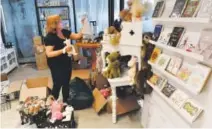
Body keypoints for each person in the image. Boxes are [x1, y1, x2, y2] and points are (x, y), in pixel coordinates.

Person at [44, 15, 82, 103]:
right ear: (53, 24)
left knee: (66, 82)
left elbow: (77, 36)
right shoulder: (50, 37)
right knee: (57, 83)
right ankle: (52, 104)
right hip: (56, 63)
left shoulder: (64, 32)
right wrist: (63, 50)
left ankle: (65, 102)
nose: (62, 22)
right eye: (59, 21)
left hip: (66, 61)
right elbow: (49, 54)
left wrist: (84, 25)